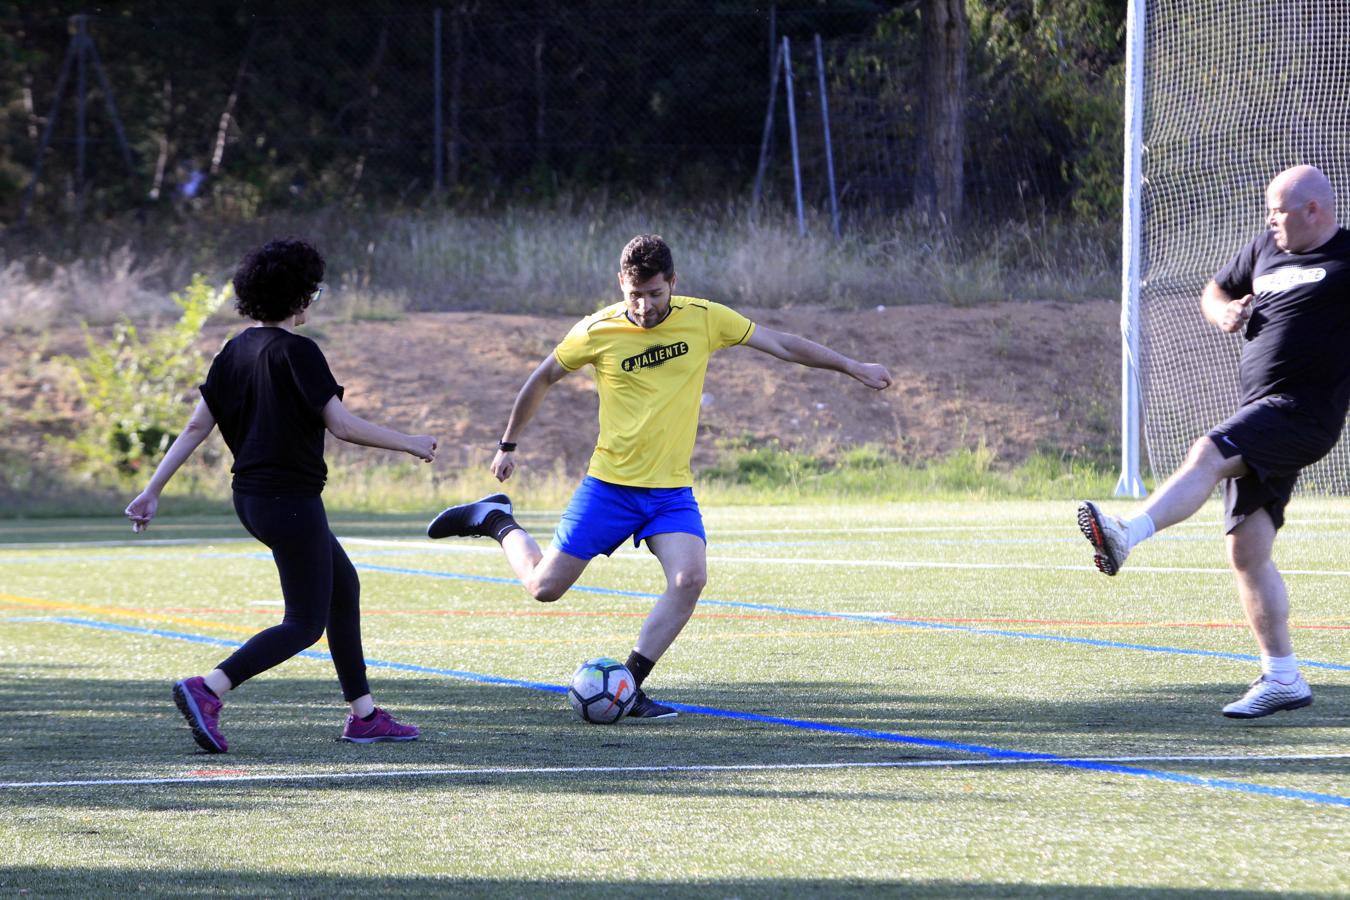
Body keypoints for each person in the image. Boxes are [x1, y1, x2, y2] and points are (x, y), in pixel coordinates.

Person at [427, 234, 893, 718]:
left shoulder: (706, 318)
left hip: (670, 492)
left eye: (655, 294)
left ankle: (630, 685)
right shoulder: (596, 331)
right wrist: (508, 444)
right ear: (620, 285)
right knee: (544, 587)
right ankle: (496, 519)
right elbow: (541, 378)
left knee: (690, 578)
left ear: (673, 282)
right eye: (635, 295)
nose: (645, 306)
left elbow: (780, 343)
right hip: (609, 487)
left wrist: (851, 365)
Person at [125, 238, 438, 752]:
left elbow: (193, 427)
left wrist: (151, 489)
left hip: (251, 499)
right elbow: (340, 425)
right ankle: (209, 688)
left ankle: (364, 715)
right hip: (289, 502)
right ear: (299, 297)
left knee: (344, 587)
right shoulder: (300, 352)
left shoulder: (234, 350)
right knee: (303, 623)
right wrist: (407, 442)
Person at [1078, 164, 1350, 718]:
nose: (1270, 219)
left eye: (1278, 210)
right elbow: (1216, 289)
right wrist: (1223, 312)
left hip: (1303, 412)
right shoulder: (1264, 250)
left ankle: (1127, 534)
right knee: (1247, 551)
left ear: (1313, 212)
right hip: (1261, 409)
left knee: (1208, 451)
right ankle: (1283, 677)